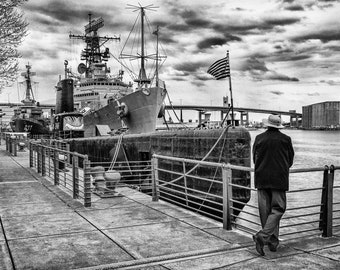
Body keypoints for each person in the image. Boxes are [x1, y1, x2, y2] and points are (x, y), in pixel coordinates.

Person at [252, 114, 294, 256]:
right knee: (278, 209)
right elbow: (290, 160)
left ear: (267, 124)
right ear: (279, 125)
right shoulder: (286, 139)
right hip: (279, 180)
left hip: (261, 179)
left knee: (265, 212)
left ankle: (271, 241)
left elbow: (254, 159)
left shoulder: (259, 138)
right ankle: (265, 238)